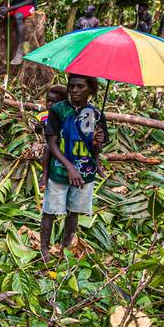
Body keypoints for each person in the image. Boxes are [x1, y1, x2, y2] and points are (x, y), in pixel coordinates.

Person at [41, 74, 107, 258]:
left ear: (90, 90)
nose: (75, 90)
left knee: (74, 212)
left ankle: (66, 248)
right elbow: (52, 143)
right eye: (72, 86)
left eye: (80, 87)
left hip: (85, 172)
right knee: (50, 210)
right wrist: (70, 167)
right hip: (60, 170)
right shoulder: (58, 110)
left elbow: (97, 148)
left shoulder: (96, 114)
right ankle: (44, 250)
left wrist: (98, 143)